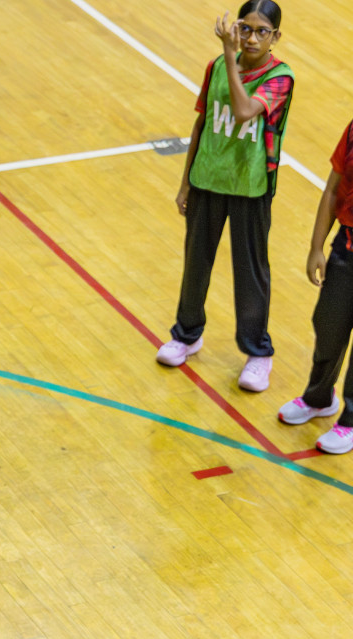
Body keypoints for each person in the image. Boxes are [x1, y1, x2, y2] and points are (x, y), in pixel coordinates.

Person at [155, 1, 294, 392]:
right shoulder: (217, 67)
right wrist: (185, 183)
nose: (251, 37)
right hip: (207, 180)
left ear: (275, 37)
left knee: (250, 274)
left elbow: (245, 110)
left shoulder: (281, 78)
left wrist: (229, 56)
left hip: (250, 188)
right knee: (195, 264)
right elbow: (201, 123)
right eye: (244, 28)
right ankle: (186, 334)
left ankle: (258, 354)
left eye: (261, 31)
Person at [277, 118, 353, 452]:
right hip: (346, 247)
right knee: (328, 325)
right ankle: (319, 398)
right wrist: (317, 246)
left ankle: (351, 421)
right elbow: (334, 187)